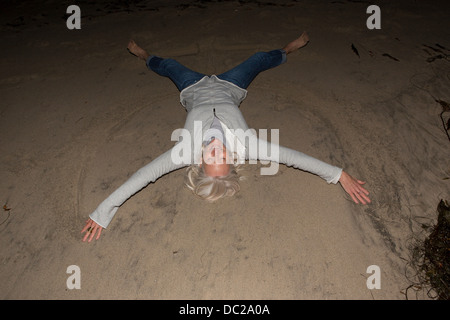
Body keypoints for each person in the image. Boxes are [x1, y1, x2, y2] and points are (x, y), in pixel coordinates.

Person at [82, 32, 371, 242]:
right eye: (223, 157)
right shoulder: (246, 147)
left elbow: (142, 176)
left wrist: (102, 211)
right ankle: (287, 50)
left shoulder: (184, 152)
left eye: (211, 157)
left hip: (192, 88)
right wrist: (339, 174)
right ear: (232, 160)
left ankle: (144, 56)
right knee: (258, 59)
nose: (217, 150)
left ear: (199, 163)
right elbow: (292, 157)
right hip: (230, 87)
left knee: (168, 65)